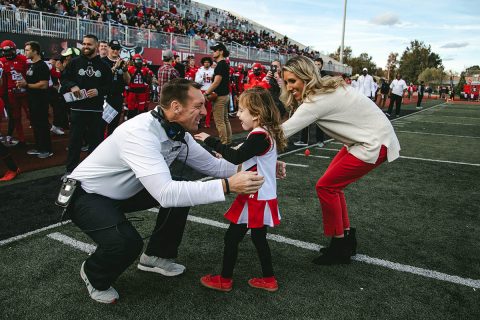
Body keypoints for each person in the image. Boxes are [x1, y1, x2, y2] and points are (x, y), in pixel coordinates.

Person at [66, 79, 280, 304]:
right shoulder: (140, 133)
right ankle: (93, 272)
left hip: (126, 191)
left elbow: (214, 166)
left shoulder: (178, 132)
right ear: (176, 107)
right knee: (127, 243)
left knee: (180, 187)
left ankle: (155, 256)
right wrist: (227, 186)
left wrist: (265, 164)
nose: (204, 111)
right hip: (88, 194)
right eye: (198, 106)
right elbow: (166, 194)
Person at [280, 56, 400, 265]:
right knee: (331, 186)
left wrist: (240, 147)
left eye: (293, 81)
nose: (289, 87)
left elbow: (282, 132)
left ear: (306, 77)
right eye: (286, 82)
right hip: (367, 139)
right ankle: (345, 239)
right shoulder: (324, 89)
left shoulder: (317, 100)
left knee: (326, 187)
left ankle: (339, 247)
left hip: (372, 142)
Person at [194, 87, 287, 292]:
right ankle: (269, 279)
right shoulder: (263, 133)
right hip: (260, 194)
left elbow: (237, 157)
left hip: (256, 195)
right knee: (258, 239)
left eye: (242, 110)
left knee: (232, 238)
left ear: (256, 114)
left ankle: (224, 280)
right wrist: (226, 152)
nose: (238, 114)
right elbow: (246, 155)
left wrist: (211, 141)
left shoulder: (259, 135)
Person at [61, 34, 112, 175]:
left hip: (96, 110)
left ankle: (91, 171)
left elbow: (110, 87)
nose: (85, 46)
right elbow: (64, 79)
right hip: (77, 109)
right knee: (74, 142)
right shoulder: (74, 63)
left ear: (96, 46)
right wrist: (72, 86)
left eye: (89, 44)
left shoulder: (104, 66)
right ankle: (70, 171)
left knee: (95, 143)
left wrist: (98, 91)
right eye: (84, 44)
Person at [17, 41, 53, 158]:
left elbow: (43, 84)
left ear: (35, 51)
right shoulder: (32, 65)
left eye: (27, 50)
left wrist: (26, 85)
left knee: (42, 125)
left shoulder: (42, 66)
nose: (25, 52)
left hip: (40, 101)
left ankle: (47, 149)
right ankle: (39, 147)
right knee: (36, 124)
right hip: (32, 100)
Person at [0, 39, 28, 147]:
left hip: (25, 92)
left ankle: (39, 138)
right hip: (11, 94)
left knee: (31, 116)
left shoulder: (23, 59)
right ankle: (21, 139)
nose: (7, 54)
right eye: (4, 51)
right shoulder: (1, 61)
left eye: (9, 51)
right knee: (16, 117)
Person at [203, 43, 232, 145]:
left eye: (215, 50)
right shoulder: (224, 64)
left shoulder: (220, 64)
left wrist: (206, 93)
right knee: (225, 120)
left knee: (220, 122)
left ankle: (224, 144)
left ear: (221, 52)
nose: (213, 52)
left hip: (220, 97)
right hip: (225, 95)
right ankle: (228, 142)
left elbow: (216, 82)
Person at [101, 40, 130, 135]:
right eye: (113, 48)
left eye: (117, 49)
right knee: (101, 124)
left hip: (117, 98)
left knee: (113, 126)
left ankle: (110, 147)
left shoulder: (122, 62)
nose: (115, 50)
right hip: (105, 98)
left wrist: (125, 71)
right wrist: (114, 68)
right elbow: (102, 79)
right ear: (109, 48)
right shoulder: (102, 61)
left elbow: (128, 81)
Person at [125, 54, 151, 119]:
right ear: (133, 61)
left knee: (141, 110)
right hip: (132, 91)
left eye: (140, 60)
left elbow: (149, 80)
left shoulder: (145, 69)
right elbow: (127, 80)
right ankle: (128, 120)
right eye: (137, 60)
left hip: (142, 92)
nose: (139, 62)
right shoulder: (130, 68)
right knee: (131, 109)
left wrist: (147, 76)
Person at [194, 56, 214, 128]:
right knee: (199, 107)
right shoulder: (200, 70)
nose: (206, 63)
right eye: (205, 62)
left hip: (209, 90)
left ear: (210, 63)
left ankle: (207, 123)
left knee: (209, 108)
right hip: (201, 90)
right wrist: (203, 78)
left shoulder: (213, 71)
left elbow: (215, 82)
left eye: (208, 62)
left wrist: (213, 78)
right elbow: (196, 81)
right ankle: (198, 122)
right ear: (203, 63)